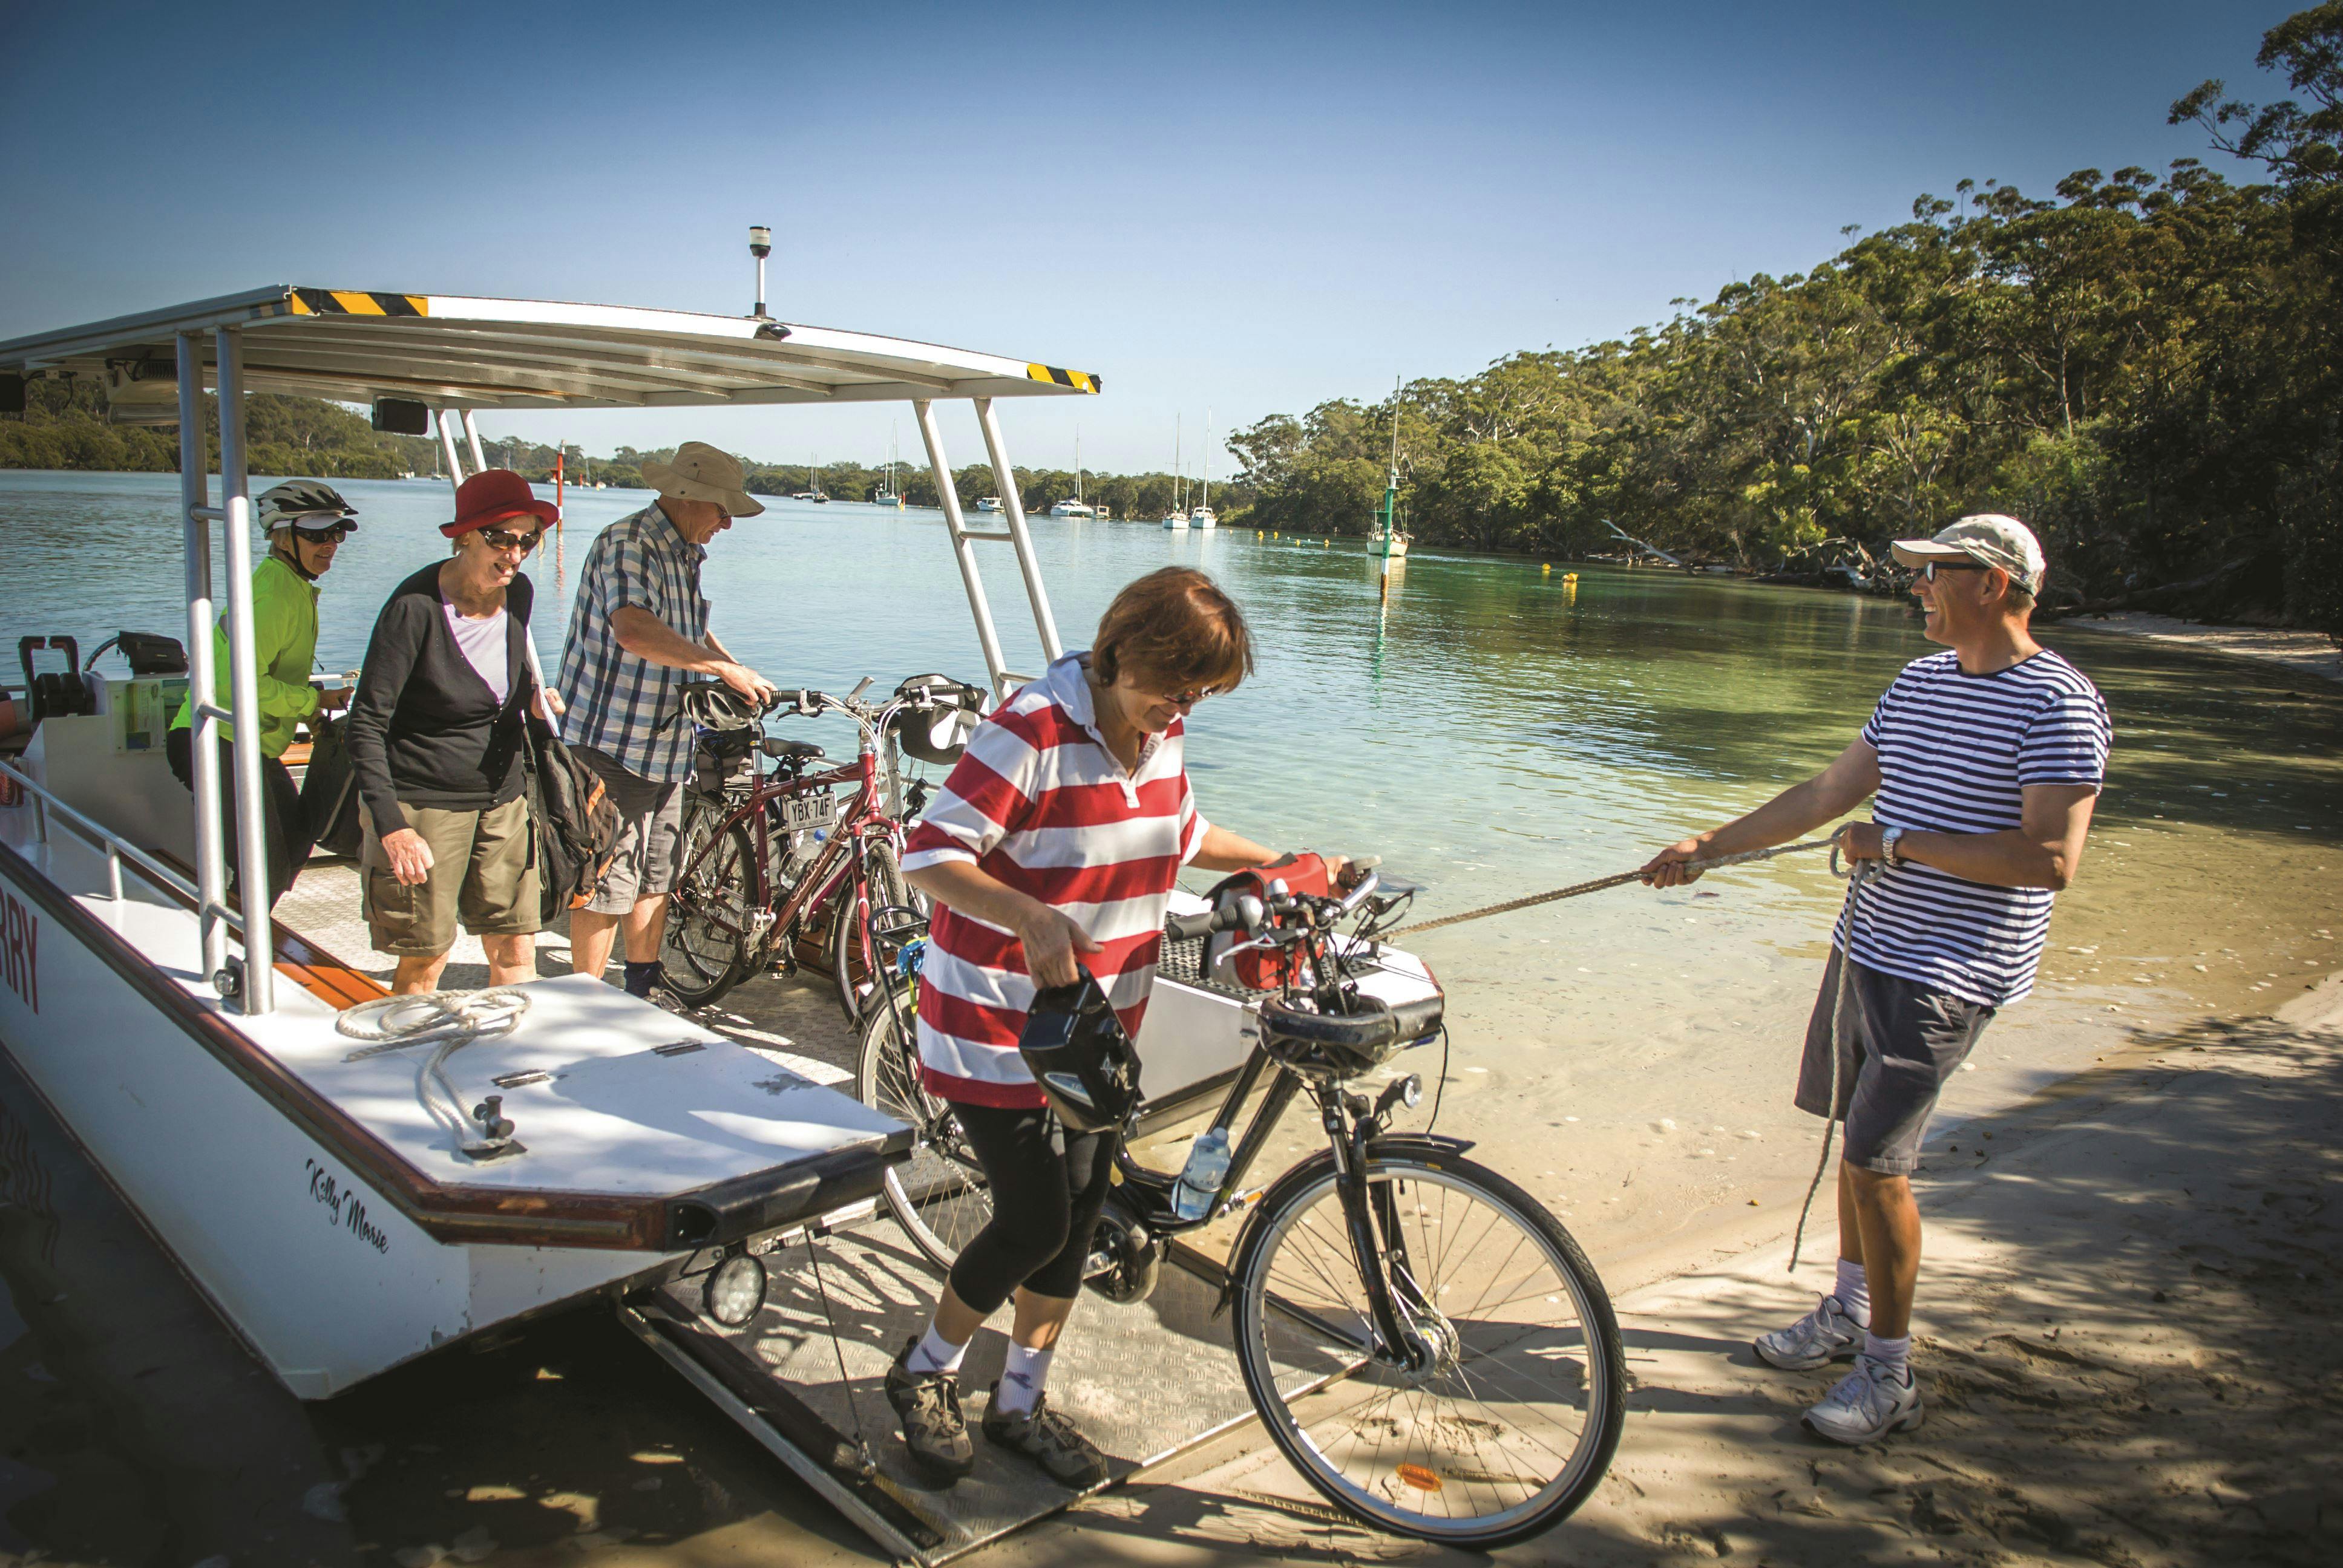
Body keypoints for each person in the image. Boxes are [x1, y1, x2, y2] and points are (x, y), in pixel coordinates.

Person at [1640, 514, 2109, 1446]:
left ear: (1993, 583)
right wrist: (1709, 846)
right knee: (1854, 1143)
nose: (1917, 590)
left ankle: (1889, 1375)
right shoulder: (1921, 681)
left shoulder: (2059, 702)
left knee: (1874, 1164)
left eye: (1933, 574)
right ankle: (1851, 1311)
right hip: (1868, 944)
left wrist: (1895, 845)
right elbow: (1827, 793)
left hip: (1952, 970)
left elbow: (2051, 859)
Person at [888, 566, 1348, 1488]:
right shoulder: (1033, 728)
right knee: (1031, 1221)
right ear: (1120, 652)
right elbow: (929, 851)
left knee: (1082, 1214)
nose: (1180, 711)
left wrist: (1291, 863)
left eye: (1198, 698)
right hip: (995, 1020)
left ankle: (1020, 1400)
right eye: (1172, 689)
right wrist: (1029, 915)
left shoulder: (1161, 731)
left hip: (1097, 1029)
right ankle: (923, 1371)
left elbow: (1181, 834)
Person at [554, 441, 776, 1000]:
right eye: (723, 509)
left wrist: (733, 668)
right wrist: (718, 669)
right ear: (687, 495)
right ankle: (585, 1005)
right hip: (613, 741)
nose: (728, 523)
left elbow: (690, 632)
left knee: (656, 878)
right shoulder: (628, 544)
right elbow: (633, 628)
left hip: (667, 745)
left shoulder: (684, 554)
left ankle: (640, 993)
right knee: (605, 881)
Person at [344, 470, 556, 995]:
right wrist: (392, 827)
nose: (516, 554)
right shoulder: (413, 609)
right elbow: (366, 724)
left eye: (527, 540)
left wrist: (532, 700)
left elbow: (506, 680)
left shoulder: (520, 594)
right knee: (427, 957)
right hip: (425, 804)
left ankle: (514, 1063)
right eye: (502, 538)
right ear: (465, 537)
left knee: (516, 945)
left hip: (502, 799)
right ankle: (407, 1060)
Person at [167, 480, 357, 907]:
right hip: (213, 741)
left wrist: (309, 712)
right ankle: (235, 954)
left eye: (336, 533)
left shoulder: (293, 586)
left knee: (294, 840)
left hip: (248, 744)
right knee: (266, 866)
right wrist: (314, 701)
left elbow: (269, 674)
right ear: (281, 535)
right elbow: (237, 682)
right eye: (316, 533)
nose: (330, 544)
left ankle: (246, 935)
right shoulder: (273, 592)